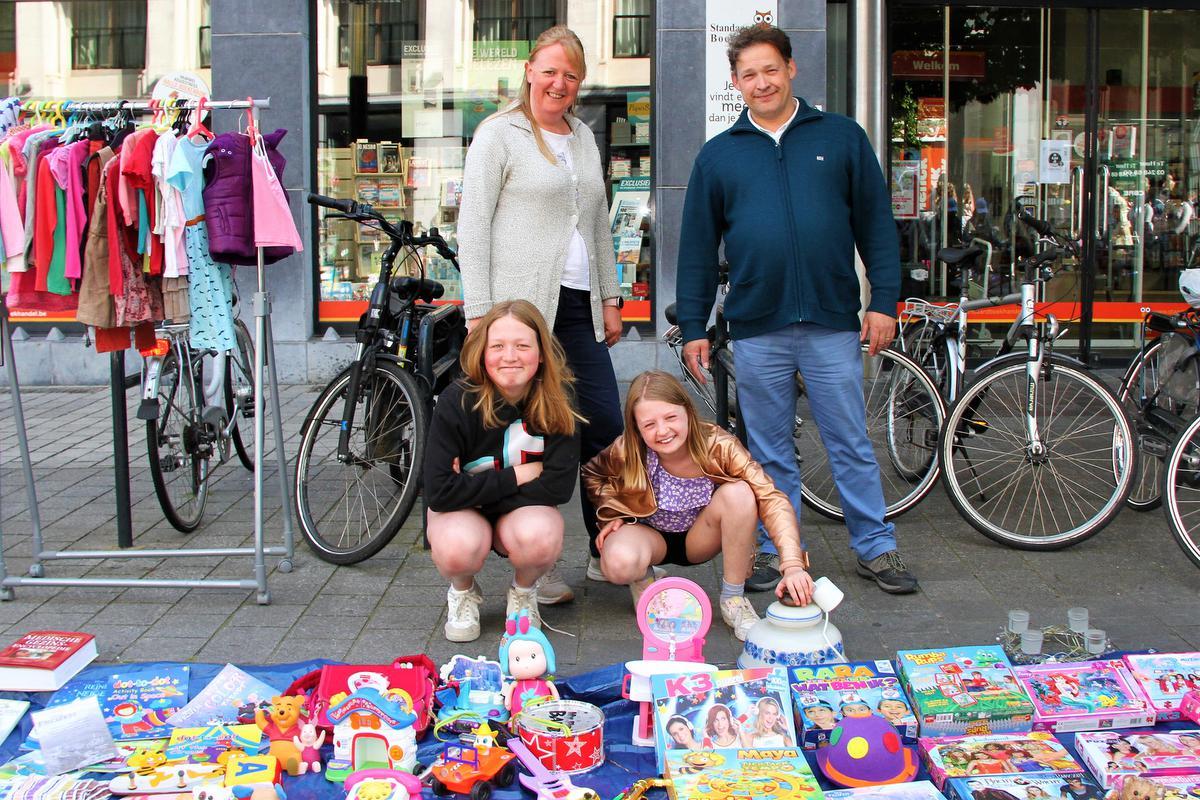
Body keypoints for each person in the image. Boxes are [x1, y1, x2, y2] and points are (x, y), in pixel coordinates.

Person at [674, 23, 917, 595]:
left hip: (833, 319)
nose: (762, 83)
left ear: (791, 69)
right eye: (749, 74)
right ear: (735, 82)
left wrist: (884, 301)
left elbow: (877, 227)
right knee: (769, 451)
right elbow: (696, 250)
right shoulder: (719, 157)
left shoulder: (842, 136)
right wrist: (693, 324)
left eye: (771, 70)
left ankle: (875, 547)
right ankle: (777, 549)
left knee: (850, 440)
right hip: (757, 325)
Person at [458, 25, 626, 609]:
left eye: (571, 75)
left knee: (602, 422)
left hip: (577, 305)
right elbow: (472, 225)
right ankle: (529, 565)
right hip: (520, 310)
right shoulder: (498, 134)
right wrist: (479, 312)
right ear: (530, 69)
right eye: (550, 70)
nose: (559, 83)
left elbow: (598, 222)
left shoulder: (581, 136)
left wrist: (610, 294)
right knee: (523, 435)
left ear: (581, 83)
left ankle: (608, 548)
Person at [581, 370, 814, 640]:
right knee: (617, 563)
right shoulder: (627, 449)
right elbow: (593, 473)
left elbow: (771, 496)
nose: (663, 431)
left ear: (688, 412)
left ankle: (733, 600)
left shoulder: (719, 445)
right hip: (649, 536)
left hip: (701, 537)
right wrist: (611, 512)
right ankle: (646, 587)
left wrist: (793, 564)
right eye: (649, 424)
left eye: (671, 417)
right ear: (636, 428)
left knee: (741, 493)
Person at [422, 300, 582, 643]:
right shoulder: (456, 400)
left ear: (541, 353)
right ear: (482, 353)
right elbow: (437, 491)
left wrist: (470, 486)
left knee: (541, 534)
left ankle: (523, 592)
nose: (510, 356)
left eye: (522, 345)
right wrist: (519, 475)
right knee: (456, 545)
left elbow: (558, 488)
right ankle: (462, 592)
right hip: (467, 514)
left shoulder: (559, 400)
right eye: (498, 346)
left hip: (506, 511)